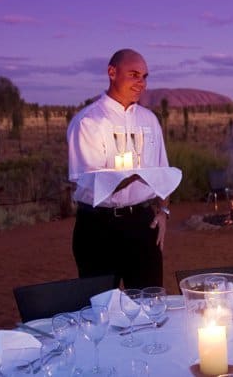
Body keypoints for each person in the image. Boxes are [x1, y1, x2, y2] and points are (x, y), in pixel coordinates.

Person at [66, 48, 172, 289]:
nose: (141, 83)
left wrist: (163, 212)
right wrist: (133, 175)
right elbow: (92, 181)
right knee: (101, 309)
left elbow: (163, 172)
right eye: (134, 74)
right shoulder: (88, 122)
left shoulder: (149, 120)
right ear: (112, 72)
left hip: (143, 224)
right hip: (98, 228)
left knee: (150, 305)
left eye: (145, 76)